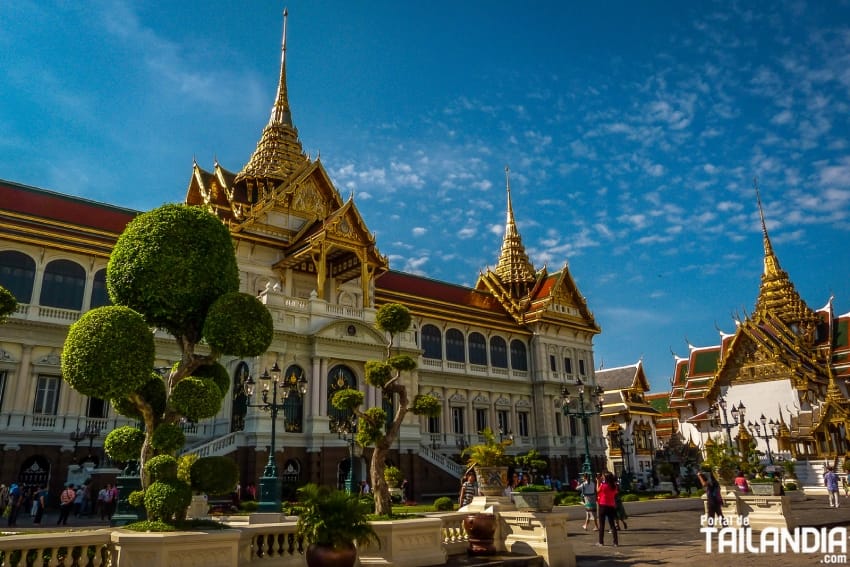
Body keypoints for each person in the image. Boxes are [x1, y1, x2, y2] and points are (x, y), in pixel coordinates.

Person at [596, 472, 619, 547]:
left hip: (602, 505)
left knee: (602, 525)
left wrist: (598, 482)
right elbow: (615, 493)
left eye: (603, 476)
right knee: (612, 524)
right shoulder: (614, 486)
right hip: (611, 506)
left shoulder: (603, 485)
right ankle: (615, 542)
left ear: (605, 478)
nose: (602, 477)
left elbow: (597, 490)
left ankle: (601, 542)